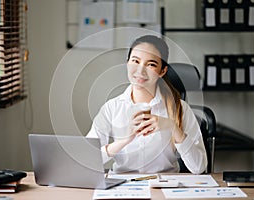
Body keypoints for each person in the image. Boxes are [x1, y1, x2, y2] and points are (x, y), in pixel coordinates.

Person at [87, 35, 207, 174]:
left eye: (151, 64)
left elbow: (199, 168)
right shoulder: (112, 108)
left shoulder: (180, 108)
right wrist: (123, 141)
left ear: (162, 71)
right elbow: (88, 159)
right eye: (135, 61)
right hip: (123, 186)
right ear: (127, 63)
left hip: (165, 186)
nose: (140, 71)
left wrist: (172, 126)